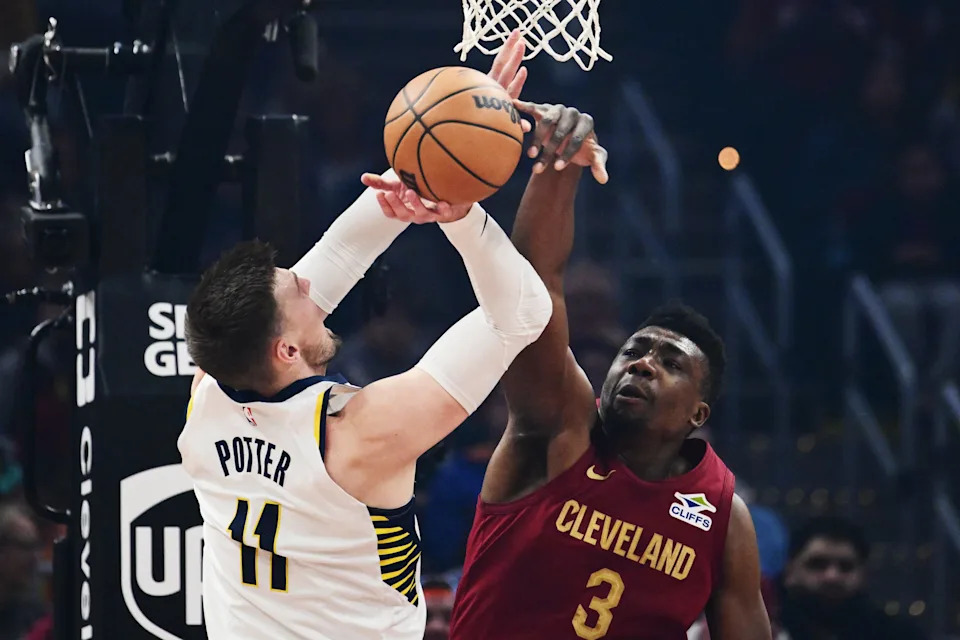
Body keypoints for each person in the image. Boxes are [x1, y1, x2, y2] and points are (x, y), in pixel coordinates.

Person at [177, 35, 595, 640]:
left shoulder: (209, 395)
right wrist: (464, 209)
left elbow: (343, 250)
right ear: (286, 350)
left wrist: (453, 145)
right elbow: (521, 315)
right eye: (294, 288)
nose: (306, 278)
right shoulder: (360, 432)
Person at [448, 101, 771, 639]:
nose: (643, 362)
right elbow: (533, 289)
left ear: (700, 411)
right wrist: (560, 167)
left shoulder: (721, 515)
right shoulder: (561, 428)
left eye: (670, 364)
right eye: (634, 351)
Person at [778, 516, 927, 640]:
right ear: (790, 571)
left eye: (846, 566)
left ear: (864, 575)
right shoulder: (764, 630)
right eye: (818, 564)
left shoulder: (899, 635)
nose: (832, 576)